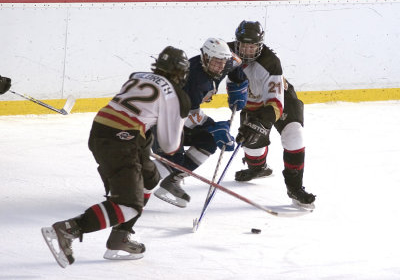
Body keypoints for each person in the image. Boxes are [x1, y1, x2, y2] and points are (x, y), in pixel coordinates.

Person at [41, 46, 191, 268]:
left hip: (103, 130)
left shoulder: (137, 76)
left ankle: (121, 235)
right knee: (129, 204)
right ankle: (69, 229)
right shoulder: (177, 95)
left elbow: (138, 112)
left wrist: (142, 139)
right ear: (181, 73)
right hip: (121, 142)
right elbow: (170, 146)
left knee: (149, 180)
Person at [227, 20, 316, 208]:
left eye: (253, 46)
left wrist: (260, 124)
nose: (248, 51)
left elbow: (275, 105)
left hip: (280, 101)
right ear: (237, 42)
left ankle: (295, 188)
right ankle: (258, 168)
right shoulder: (225, 53)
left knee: (294, 135)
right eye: (244, 45)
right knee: (251, 146)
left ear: (260, 45)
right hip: (251, 103)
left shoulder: (270, 62)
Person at [152, 38, 249, 208]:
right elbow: (186, 116)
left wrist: (238, 86)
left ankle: (173, 181)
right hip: (162, 123)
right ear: (205, 58)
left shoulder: (227, 62)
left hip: (180, 119)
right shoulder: (192, 79)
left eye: (223, 62)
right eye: (215, 62)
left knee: (208, 141)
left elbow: (236, 65)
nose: (220, 67)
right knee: (171, 161)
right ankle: (133, 187)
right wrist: (213, 127)